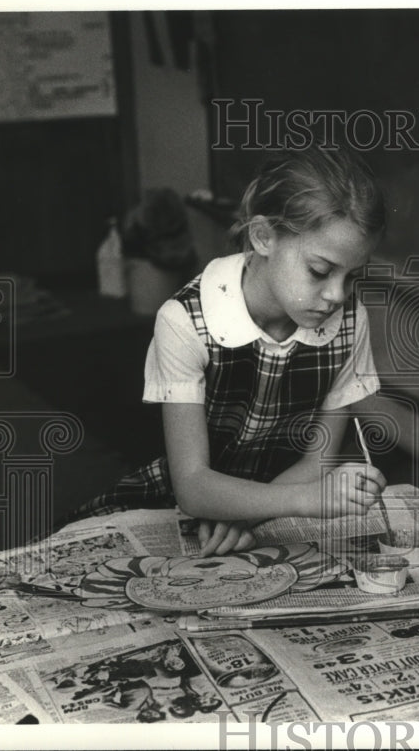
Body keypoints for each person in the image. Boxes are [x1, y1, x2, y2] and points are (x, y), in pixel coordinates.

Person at [70, 145, 389, 556]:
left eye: (352, 277)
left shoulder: (349, 321)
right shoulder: (184, 320)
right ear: (263, 237)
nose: (335, 295)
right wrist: (308, 500)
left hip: (270, 504)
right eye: (320, 271)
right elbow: (193, 486)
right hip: (181, 505)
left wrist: (246, 518)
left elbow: (316, 464)